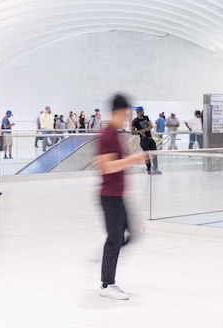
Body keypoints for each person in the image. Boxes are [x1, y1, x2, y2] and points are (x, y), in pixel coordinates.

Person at [96, 94, 148, 301]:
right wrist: (133, 159)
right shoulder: (106, 135)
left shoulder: (115, 134)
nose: (127, 119)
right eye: (125, 115)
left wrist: (129, 159)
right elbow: (106, 166)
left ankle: (106, 258)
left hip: (118, 195)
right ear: (116, 113)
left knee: (132, 233)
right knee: (115, 238)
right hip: (109, 196)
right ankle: (107, 283)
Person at [131, 106, 161, 175]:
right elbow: (133, 131)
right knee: (146, 155)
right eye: (142, 111)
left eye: (143, 111)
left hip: (150, 138)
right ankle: (149, 169)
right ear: (138, 112)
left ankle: (156, 168)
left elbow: (151, 126)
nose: (143, 112)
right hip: (143, 140)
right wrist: (139, 131)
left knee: (155, 153)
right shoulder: (135, 121)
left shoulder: (146, 117)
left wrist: (144, 130)